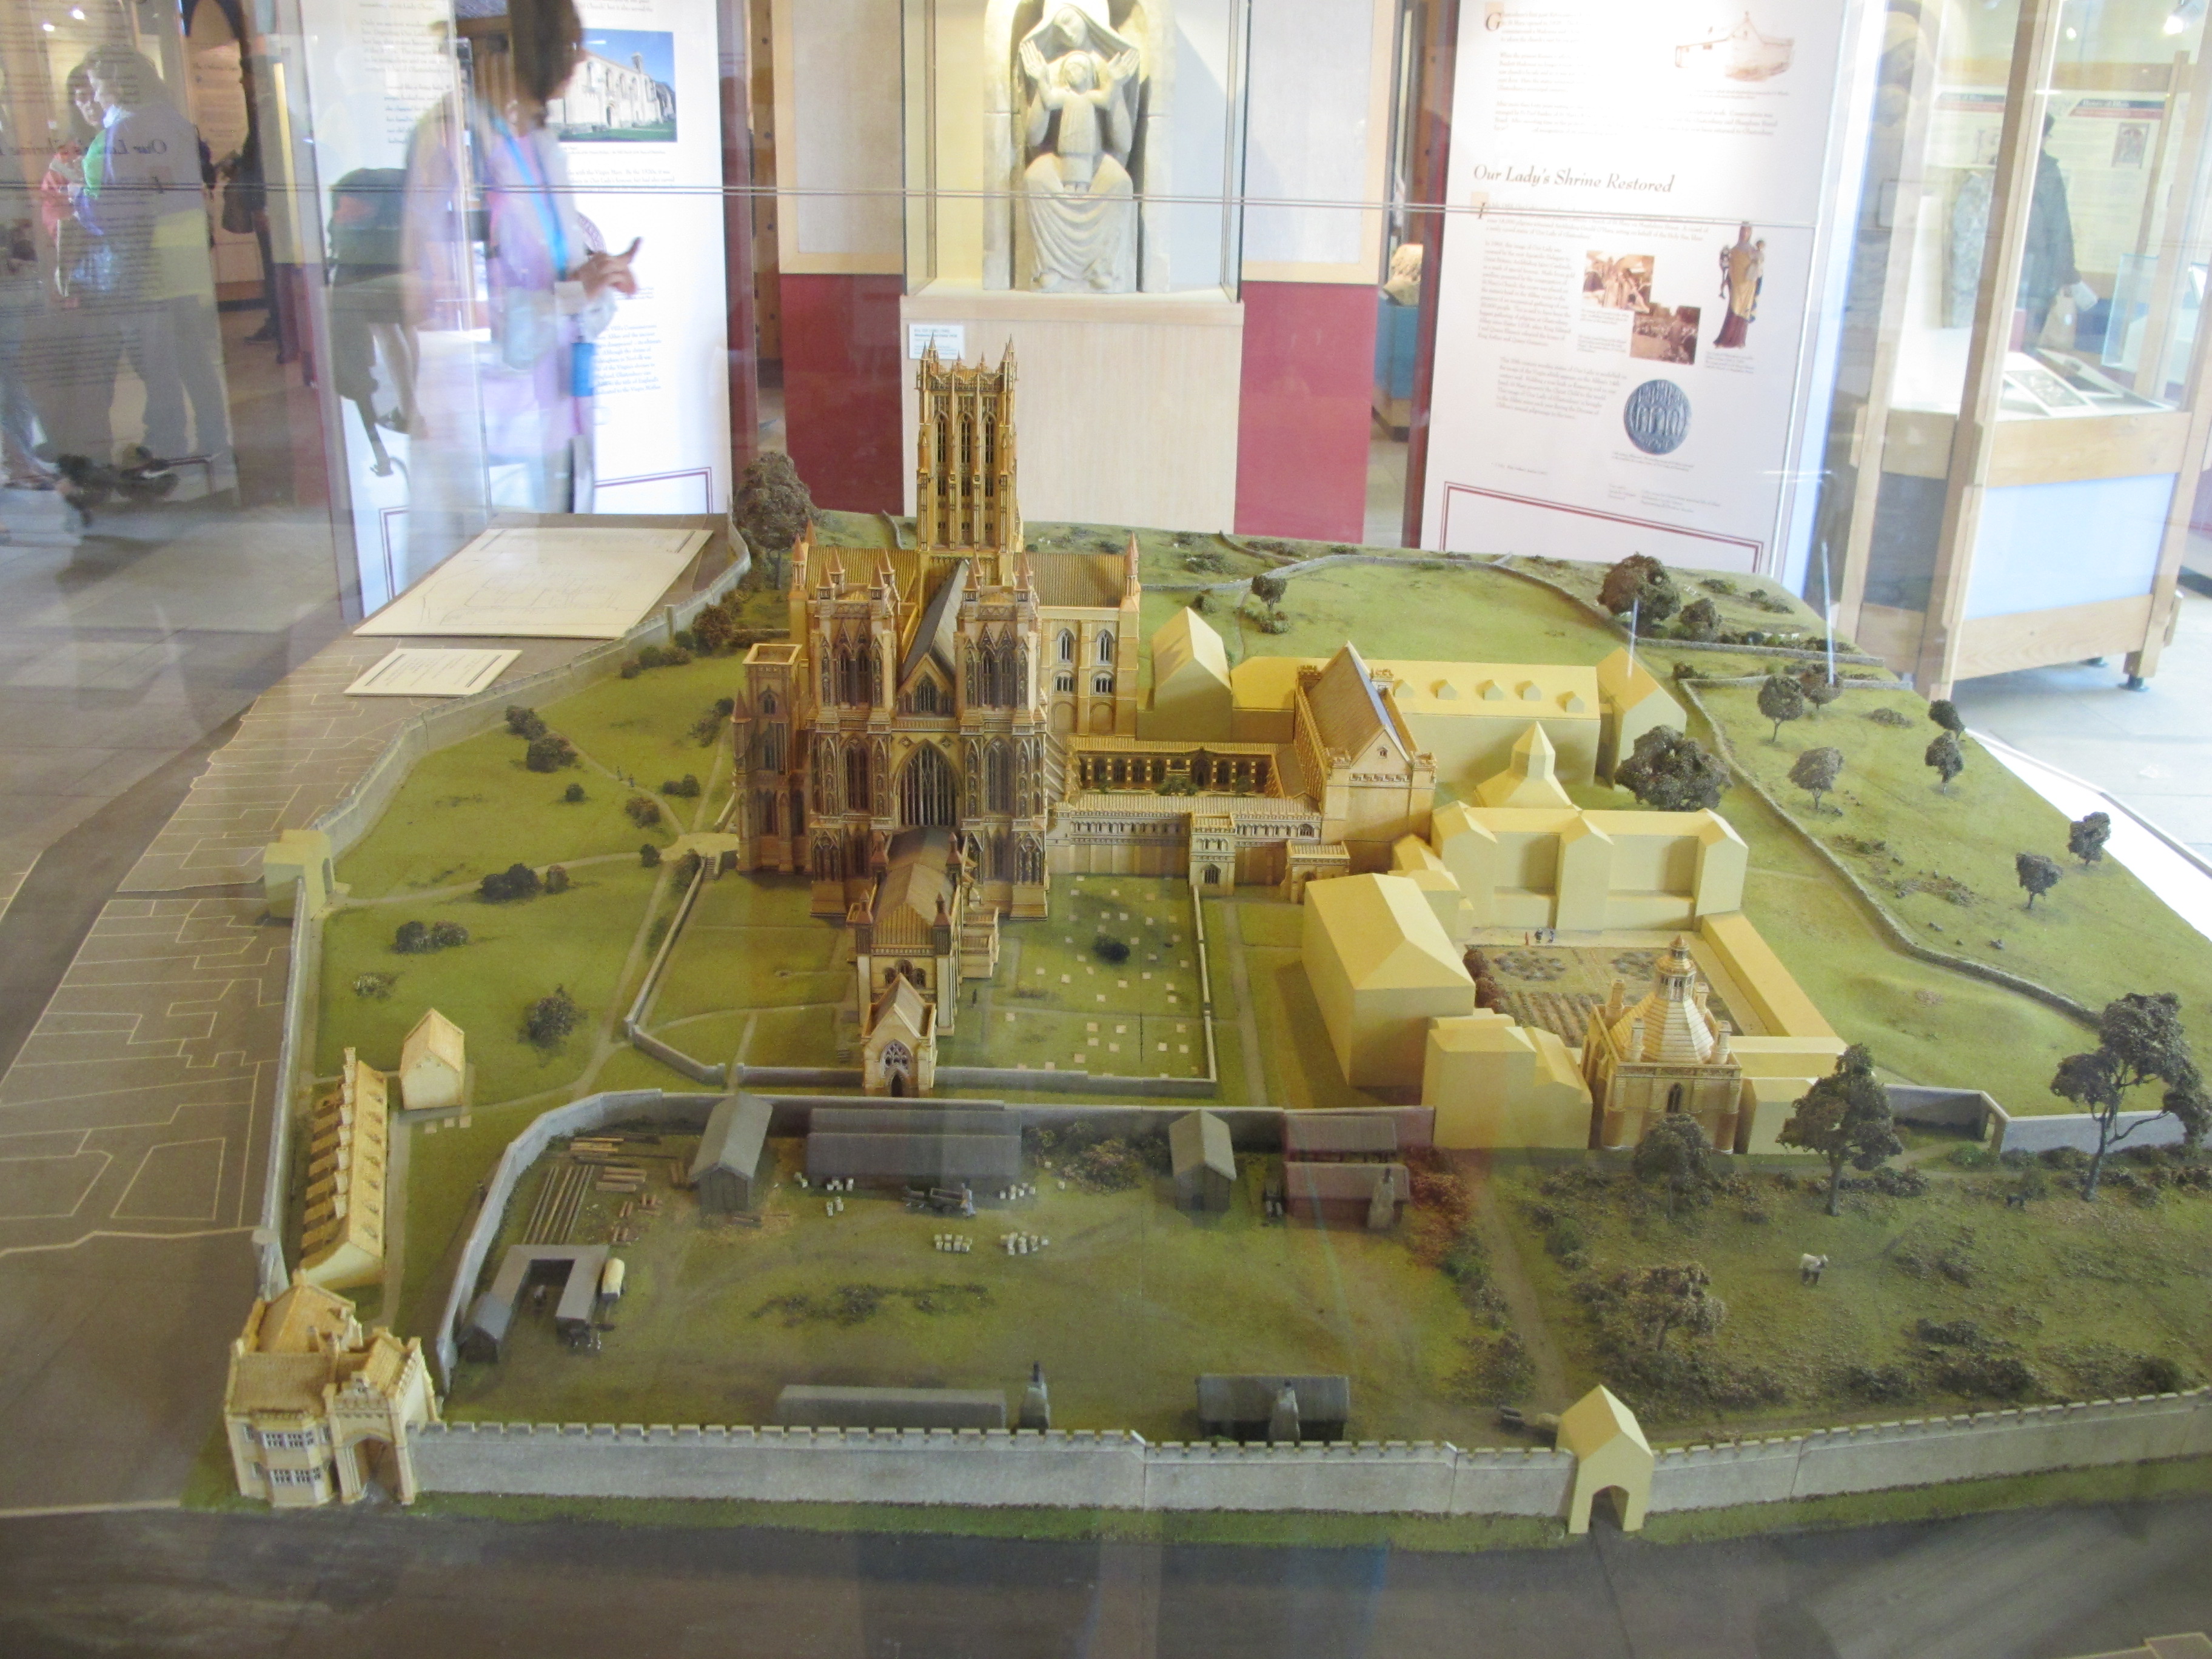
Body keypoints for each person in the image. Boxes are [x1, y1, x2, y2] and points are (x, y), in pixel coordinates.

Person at [404, 0, 638, 521]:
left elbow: (558, 279)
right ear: (528, 47)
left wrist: (598, 278)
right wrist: (575, 292)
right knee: (499, 563)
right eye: (569, 43)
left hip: (554, 413)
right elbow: (452, 308)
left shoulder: (536, 143)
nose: (580, 58)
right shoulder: (453, 141)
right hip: (490, 429)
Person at [72, 49, 229, 464]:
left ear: (117, 82)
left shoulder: (126, 128)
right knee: (193, 354)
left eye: (97, 84)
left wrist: (79, 200)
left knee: (155, 358)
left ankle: (166, 443)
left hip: (147, 256)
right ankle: (213, 436)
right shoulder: (174, 121)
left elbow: (115, 210)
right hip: (185, 251)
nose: (95, 94)